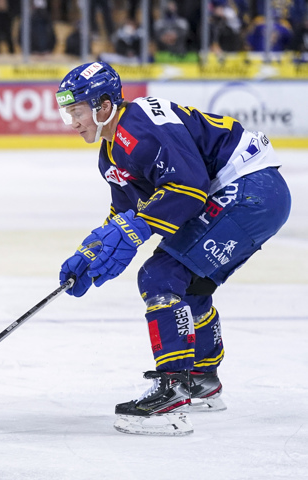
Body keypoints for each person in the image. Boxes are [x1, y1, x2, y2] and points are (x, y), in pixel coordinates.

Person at [54, 62, 291, 436]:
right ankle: (201, 378)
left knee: (160, 276)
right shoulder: (111, 152)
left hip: (250, 189)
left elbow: (189, 187)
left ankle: (173, 391)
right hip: (255, 193)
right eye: (68, 113)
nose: (73, 122)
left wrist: (134, 229)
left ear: (104, 105)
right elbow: (126, 213)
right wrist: (94, 251)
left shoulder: (142, 124)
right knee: (188, 282)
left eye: (78, 111)